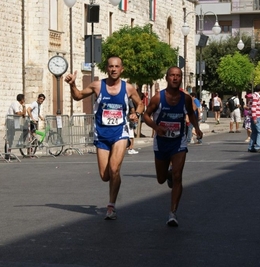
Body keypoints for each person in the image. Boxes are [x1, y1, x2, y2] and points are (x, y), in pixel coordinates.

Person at [64, 56, 144, 220]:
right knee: (105, 175)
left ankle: (111, 206)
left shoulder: (128, 88)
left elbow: (140, 103)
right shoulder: (97, 86)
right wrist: (72, 85)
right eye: (110, 66)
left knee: (114, 168)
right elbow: (78, 96)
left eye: (117, 66)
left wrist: (136, 113)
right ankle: (115, 179)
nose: (114, 69)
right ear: (106, 69)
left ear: (122, 69)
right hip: (101, 134)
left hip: (120, 132)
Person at [143, 66, 202, 227]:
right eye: (172, 75)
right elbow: (146, 115)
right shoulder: (158, 98)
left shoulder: (186, 98)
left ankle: (172, 213)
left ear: (181, 78)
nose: (175, 78)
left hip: (178, 142)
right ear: (167, 77)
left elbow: (191, 113)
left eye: (178, 76)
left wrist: (196, 128)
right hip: (161, 142)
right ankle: (167, 174)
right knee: (161, 179)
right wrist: (156, 128)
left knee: (178, 176)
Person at [5, 94, 26, 158]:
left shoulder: (20, 105)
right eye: (24, 99)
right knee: (10, 137)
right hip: (11, 121)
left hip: (15, 121)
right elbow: (18, 113)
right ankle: (7, 153)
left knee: (24, 130)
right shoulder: (15, 103)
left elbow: (23, 114)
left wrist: (24, 107)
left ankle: (18, 143)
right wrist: (22, 113)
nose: (24, 100)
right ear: (22, 99)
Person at [248, 84, 260, 153]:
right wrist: (254, 118)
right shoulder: (256, 97)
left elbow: (250, 106)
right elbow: (253, 107)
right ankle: (258, 146)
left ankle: (251, 146)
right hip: (256, 117)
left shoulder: (253, 96)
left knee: (254, 132)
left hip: (253, 116)